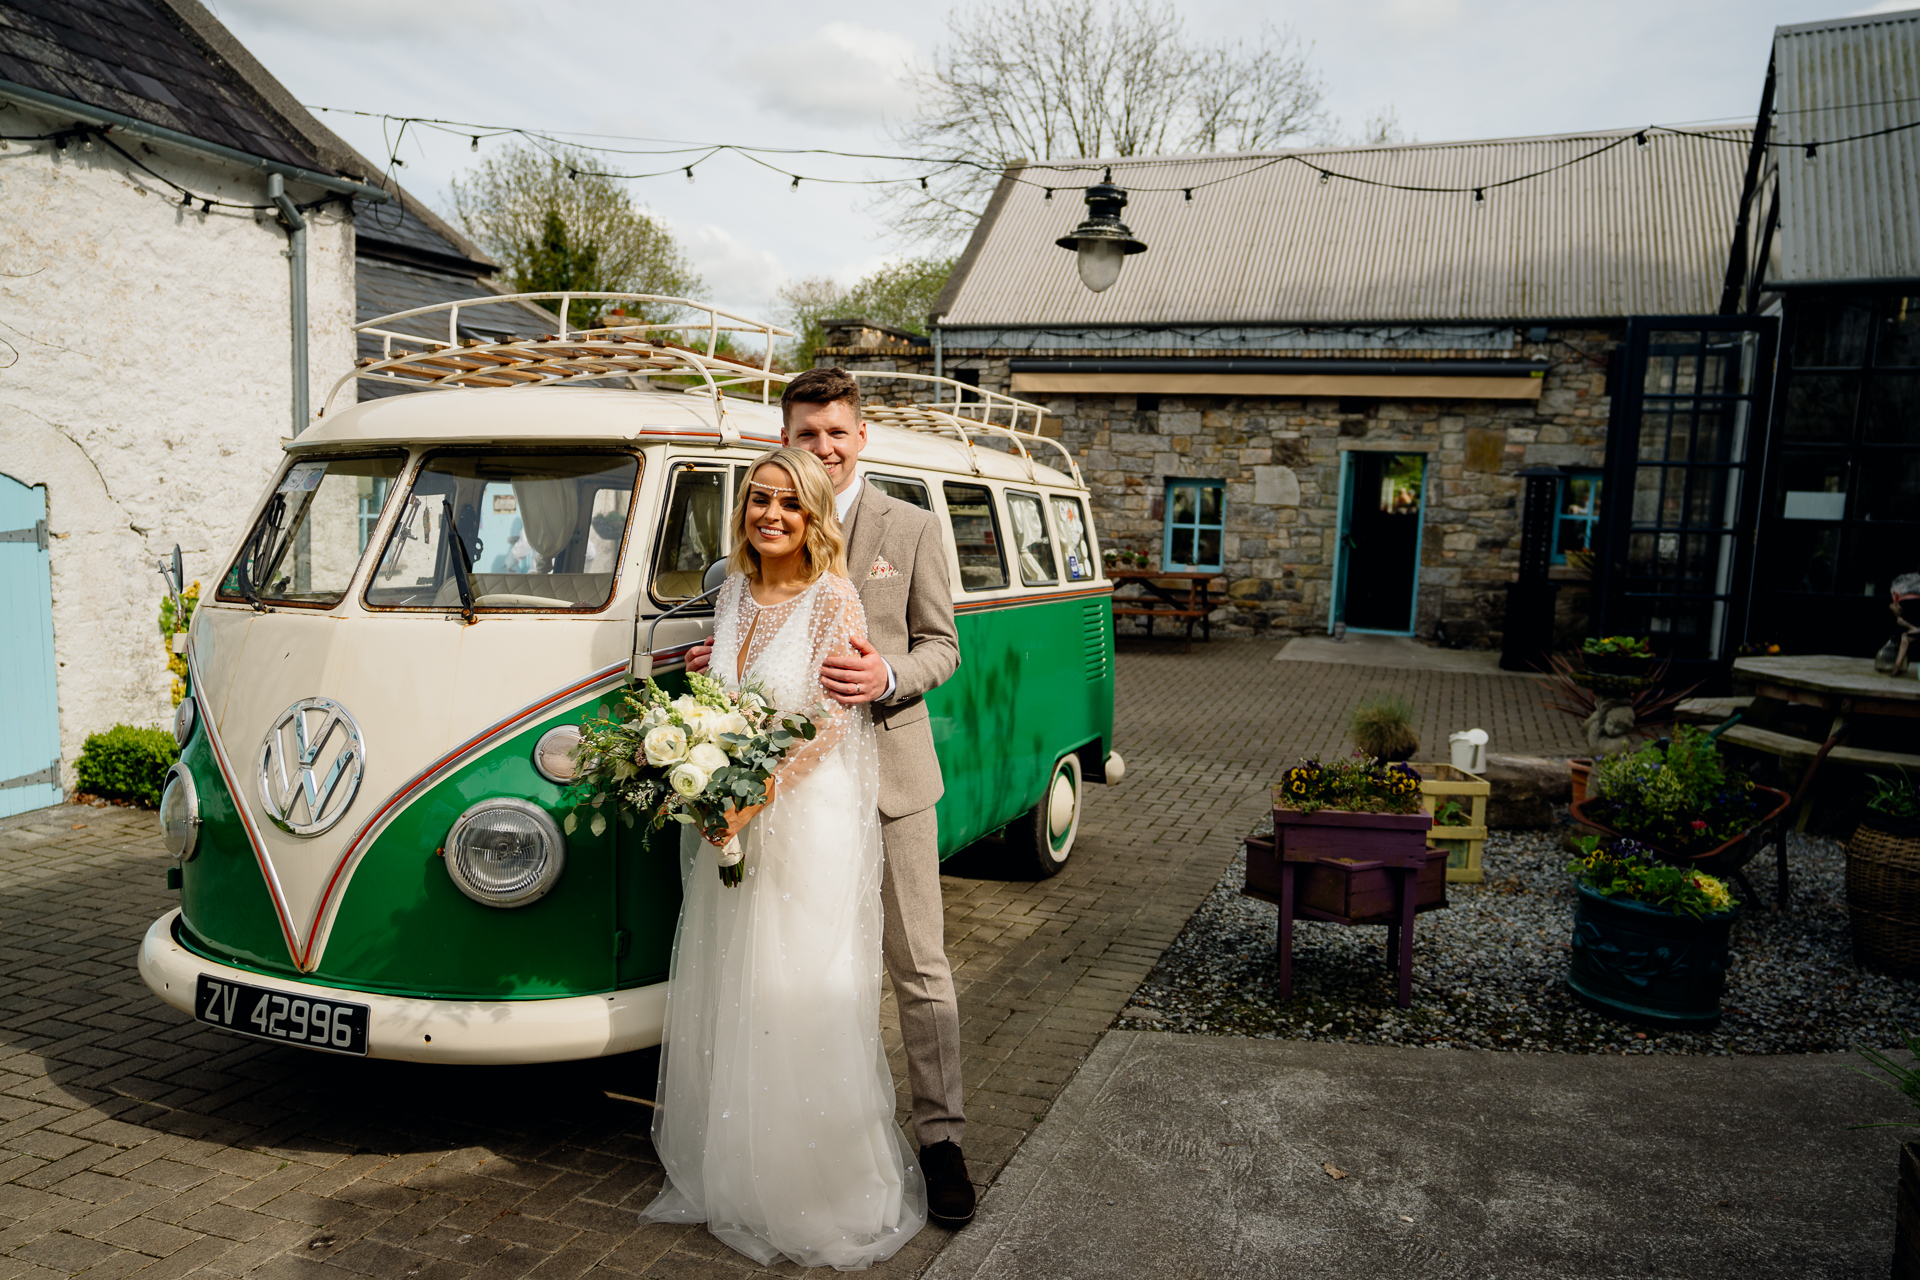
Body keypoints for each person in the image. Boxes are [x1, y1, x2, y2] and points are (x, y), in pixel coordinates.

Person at [686, 366, 974, 1227]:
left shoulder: (911, 528)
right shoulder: (748, 548)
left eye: (836, 433)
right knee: (790, 967)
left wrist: (888, 674)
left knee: (917, 967)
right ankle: (797, 1137)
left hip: (889, 777)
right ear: (786, 439)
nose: (823, 447)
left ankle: (942, 1140)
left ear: (860, 438)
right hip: (783, 798)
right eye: (806, 434)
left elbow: (943, 646)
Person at [641, 446, 927, 1270]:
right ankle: (739, 1171)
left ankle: (820, 1187)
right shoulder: (732, 588)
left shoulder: (834, 596)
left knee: (799, 985)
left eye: (788, 504)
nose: (771, 515)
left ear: (812, 516)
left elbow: (833, 720)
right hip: (734, 810)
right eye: (759, 500)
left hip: (807, 813)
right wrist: (704, 752)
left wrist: (753, 794)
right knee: (736, 979)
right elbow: (729, 700)